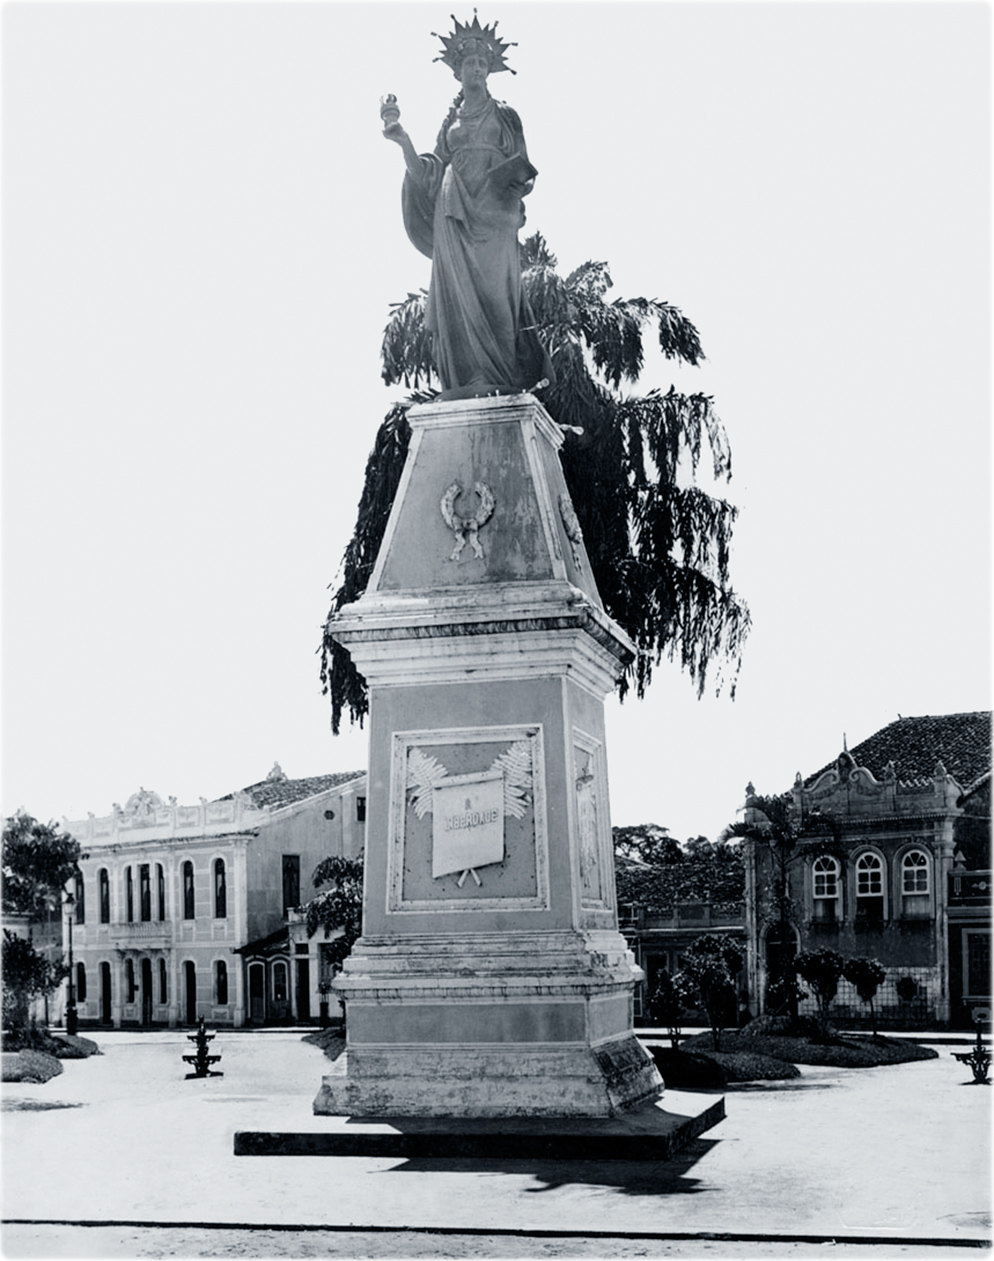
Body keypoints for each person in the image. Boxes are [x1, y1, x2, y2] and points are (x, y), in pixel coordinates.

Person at [382, 15, 554, 400]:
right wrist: (403, 139)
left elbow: (525, 171)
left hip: (494, 217)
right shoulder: (450, 122)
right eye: (468, 64)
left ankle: (503, 376)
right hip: (454, 213)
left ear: (489, 69)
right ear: (457, 72)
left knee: (498, 301)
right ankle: (469, 381)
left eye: (481, 63)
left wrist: (514, 191)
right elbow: (428, 172)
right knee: (459, 303)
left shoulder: (506, 114)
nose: (475, 69)